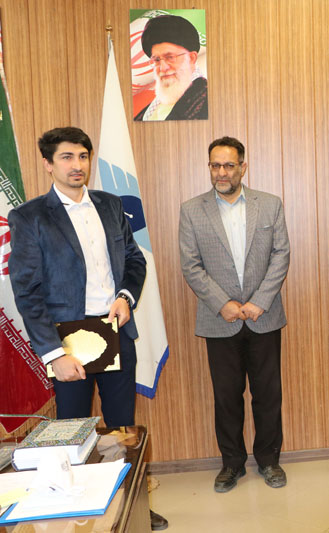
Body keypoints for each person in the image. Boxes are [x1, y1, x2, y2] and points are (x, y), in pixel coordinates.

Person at [8, 126, 168, 531]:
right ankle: (78, 516)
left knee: (122, 429)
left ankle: (130, 507)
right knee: (71, 432)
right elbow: (27, 291)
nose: (77, 165)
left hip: (115, 331)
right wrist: (54, 354)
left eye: (82, 156)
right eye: (66, 157)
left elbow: (135, 260)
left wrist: (126, 297)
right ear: (48, 164)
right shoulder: (29, 216)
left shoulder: (110, 205)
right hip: (67, 342)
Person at [179, 136, 290, 493]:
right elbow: (191, 264)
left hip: (263, 316)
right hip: (219, 319)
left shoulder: (269, 205)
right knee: (226, 397)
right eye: (216, 165)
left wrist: (260, 301)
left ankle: (269, 460)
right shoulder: (192, 210)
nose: (222, 172)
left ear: (243, 166)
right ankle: (231, 464)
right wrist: (222, 303)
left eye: (229, 165)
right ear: (209, 167)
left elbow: (281, 255)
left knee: (267, 395)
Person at [134, 14, 207, 121]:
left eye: (170, 57)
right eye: (157, 60)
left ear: (191, 58)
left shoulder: (206, 99)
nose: (163, 67)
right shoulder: (148, 111)